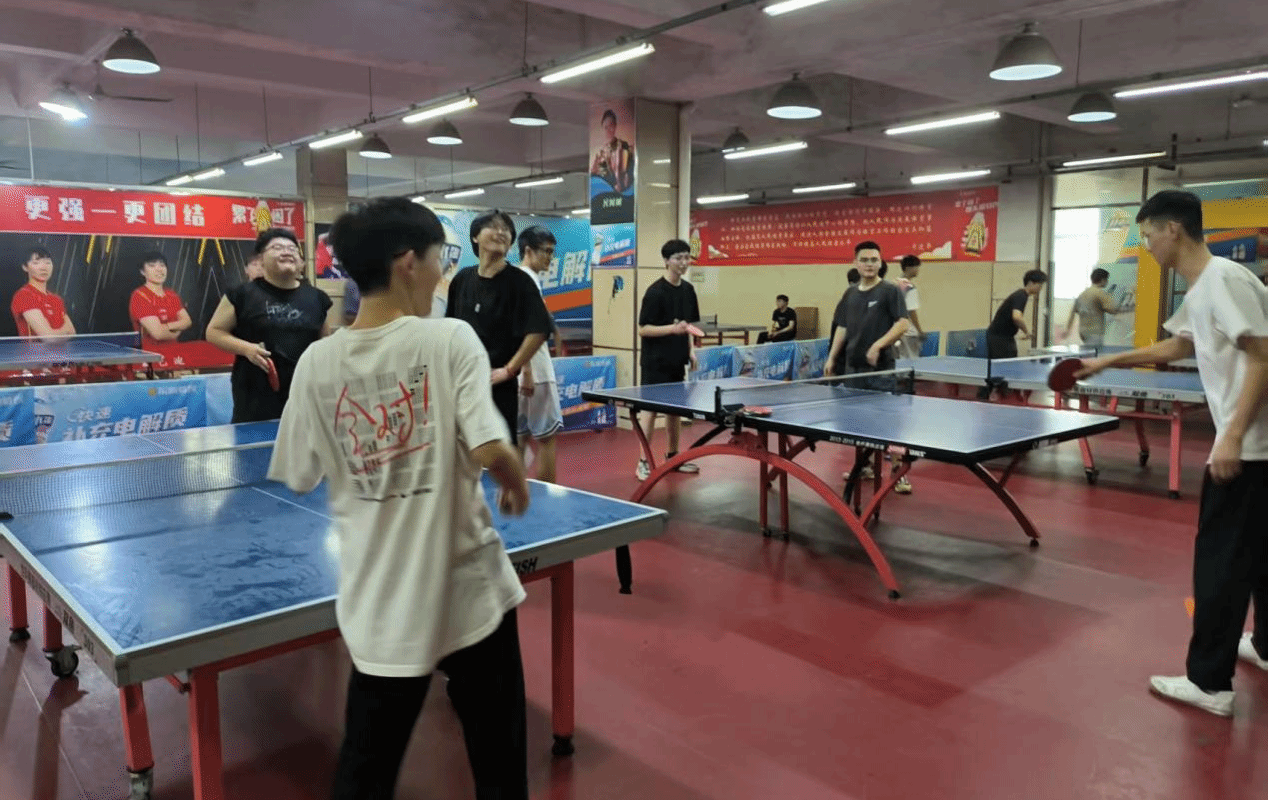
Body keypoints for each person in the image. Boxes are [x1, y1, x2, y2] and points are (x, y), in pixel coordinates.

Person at [267, 196, 531, 800]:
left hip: (379, 600)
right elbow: (491, 447)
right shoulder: (451, 338)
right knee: (499, 765)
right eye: (440, 257)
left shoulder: (316, 363)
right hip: (471, 593)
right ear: (408, 262)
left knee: (365, 771)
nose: (443, 272)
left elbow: (300, 473)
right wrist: (515, 481)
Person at [1076, 190, 1268, 718]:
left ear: (1172, 230)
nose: (1146, 246)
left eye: (1147, 235)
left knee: (1220, 564)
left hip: (1251, 447)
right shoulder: (1206, 286)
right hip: (1257, 446)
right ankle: (1266, 645)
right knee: (1260, 553)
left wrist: (1231, 436)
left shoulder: (1224, 280)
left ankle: (1209, 683)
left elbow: (1263, 354)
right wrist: (1109, 362)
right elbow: (1179, 345)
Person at [446, 210, 553, 445]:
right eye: (493, 227)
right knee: (463, 451)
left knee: (499, 451)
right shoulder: (462, 279)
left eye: (506, 229)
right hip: (462, 383)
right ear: (475, 236)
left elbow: (539, 329)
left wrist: (510, 370)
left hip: (498, 387)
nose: (501, 232)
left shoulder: (520, 282)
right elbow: (450, 328)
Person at [206, 228, 331, 423]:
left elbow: (326, 344)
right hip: (254, 399)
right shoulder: (242, 295)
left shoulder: (318, 298)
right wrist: (247, 349)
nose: (287, 252)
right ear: (261, 260)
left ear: (301, 262)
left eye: (292, 248)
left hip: (305, 398)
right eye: (278, 247)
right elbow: (214, 332)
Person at [825, 241, 912, 493]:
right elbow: (842, 327)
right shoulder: (850, 294)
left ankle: (898, 471)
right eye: (865, 259)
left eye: (874, 260)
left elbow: (903, 324)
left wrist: (877, 345)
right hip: (854, 368)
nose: (870, 264)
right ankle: (866, 466)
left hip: (881, 369)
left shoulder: (890, 291)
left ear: (880, 262)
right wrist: (832, 357)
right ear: (856, 263)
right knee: (859, 423)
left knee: (887, 423)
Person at [635, 239, 702, 480]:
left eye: (686, 257)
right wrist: (671, 329)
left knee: (674, 411)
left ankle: (673, 457)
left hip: (677, 359)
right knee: (650, 411)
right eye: (678, 258)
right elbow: (643, 329)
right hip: (655, 361)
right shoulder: (655, 292)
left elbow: (688, 325)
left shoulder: (688, 290)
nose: (684, 262)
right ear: (666, 261)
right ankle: (643, 462)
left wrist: (691, 351)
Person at [515, 226, 565, 482]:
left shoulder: (517, 278)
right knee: (546, 440)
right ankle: (548, 498)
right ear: (528, 251)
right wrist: (527, 370)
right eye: (546, 251)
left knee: (519, 438)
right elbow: (521, 327)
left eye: (552, 252)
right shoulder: (527, 280)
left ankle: (512, 493)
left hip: (520, 373)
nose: (550, 257)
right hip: (536, 373)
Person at [129, 251, 192, 350]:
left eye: (162, 265)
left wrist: (165, 327)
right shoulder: (139, 296)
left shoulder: (171, 295)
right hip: (152, 355)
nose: (159, 269)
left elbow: (187, 321)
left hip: (176, 352)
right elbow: (158, 334)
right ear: (142, 271)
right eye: (152, 265)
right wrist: (177, 330)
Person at [11, 246, 75, 337]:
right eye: (36, 263)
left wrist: (57, 334)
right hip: (34, 347)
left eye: (47, 263)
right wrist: (64, 331)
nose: (43, 268)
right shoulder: (23, 296)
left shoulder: (56, 299)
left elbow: (72, 333)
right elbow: (49, 337)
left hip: (63, 347)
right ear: (25, 267)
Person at [987, 269, 1048, 360]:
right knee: (1005, 366)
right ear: (1031, 283)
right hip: (999, 338)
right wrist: (1027, 332)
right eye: (1040, 285)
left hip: (1005, 337)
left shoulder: (1021, 295)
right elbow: (1017, 317)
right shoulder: (1021, 296)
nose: (1040, 289)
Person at [1065, 268, 1121, 348]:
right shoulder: (1100, 293)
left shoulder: (1082, 294)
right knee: (1095, 353)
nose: (1107, 282)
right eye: (1106, 280)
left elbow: (1073, 313)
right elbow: (1112, 310)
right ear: (1103, 280)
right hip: (1095, 332)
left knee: (1088, 351)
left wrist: (1068, 329)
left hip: (1083, 332)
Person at [590, 109, 634, 194]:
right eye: (605, 127)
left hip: (622, 191)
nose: (608, 130)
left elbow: (628, 173)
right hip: (604, 192)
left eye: (611, 126)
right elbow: (593, 175)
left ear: (615, 126)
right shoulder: (600, 152)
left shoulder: (623, 146)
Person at [894, 255, 925, 359]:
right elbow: (912, 312)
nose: (918, 270)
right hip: (909, 332)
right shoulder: (910, 287)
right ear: (908, 268)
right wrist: (919, 331)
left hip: (896, 331)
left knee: (900, 359)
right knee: (912, 360)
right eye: (916, 267)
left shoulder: (894, 285)